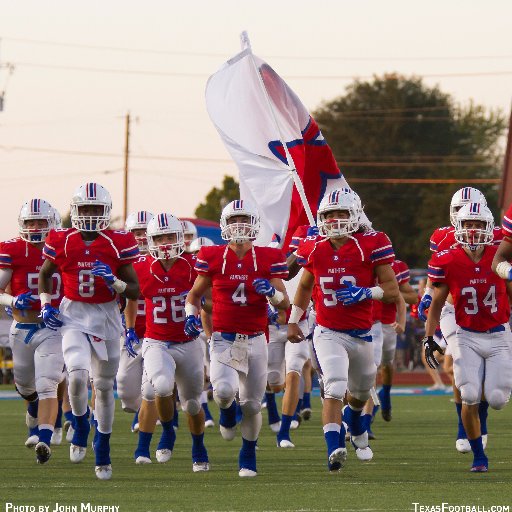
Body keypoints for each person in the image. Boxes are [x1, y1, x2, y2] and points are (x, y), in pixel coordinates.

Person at [288, 189, 399, 471]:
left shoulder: (372, 243)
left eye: (341, 213)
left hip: (362, 333)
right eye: (329, 215)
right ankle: (334, 449)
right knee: (335, 385)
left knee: (359, 394)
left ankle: (358, 425)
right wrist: (293, 319)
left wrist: (366, 292)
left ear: (355, 215)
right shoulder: (315, 246)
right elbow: (303, 285)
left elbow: (391, 291)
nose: (335, 220)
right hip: (328, 331)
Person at [39, 182, 140, 480]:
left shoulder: (117, 242)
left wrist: (115, 282)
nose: (92, 214)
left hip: (107, 315)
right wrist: (47, 304)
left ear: (106, 211)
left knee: (105, 387)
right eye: (86, 208)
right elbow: (45, 274)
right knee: (77, 372)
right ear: (76, 210)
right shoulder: (62, 239)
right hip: (73, 313)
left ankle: (103, 444)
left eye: (97, 208)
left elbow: (134, 289)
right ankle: (81, 424)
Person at [185, 199, 289, 477]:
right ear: (224, 225)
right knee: (223, 392)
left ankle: (247, 454)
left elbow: (283, 302)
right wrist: (190, 315)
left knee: (254, 404)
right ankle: (228, 414)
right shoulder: (212, 255)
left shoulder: (268, 257)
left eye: (244, 219)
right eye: (233, 220)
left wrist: (272, 292)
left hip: (256, 338)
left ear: (255, 224)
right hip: (224, 337)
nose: (239, 225)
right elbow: (194, 295)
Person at [424, 202, 512, 472]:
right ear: (457, 228)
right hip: (466, 335)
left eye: (478, 224)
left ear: (489, 228)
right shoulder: (448, 258)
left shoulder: (500, 257)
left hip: (498, 334)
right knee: (469, 393)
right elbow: (438, 303)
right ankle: (479, 457)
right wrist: (430, 338)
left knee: (497, 399)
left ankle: (481, 416)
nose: (473, 230)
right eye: (467, 224)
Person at [127, 213, 209, 470]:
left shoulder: (195, 265)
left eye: (169, 237)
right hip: (157, 341)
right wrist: (130, 329)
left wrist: (197, 315)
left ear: (180, 238)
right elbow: (131, 299)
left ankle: (198, 445)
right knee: (161, 387)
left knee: (193, 402)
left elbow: (209, 298)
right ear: (151, 241)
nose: (164, 243)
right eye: (159, 238)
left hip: (189, 342)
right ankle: (168, 431)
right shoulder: (141, 266)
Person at [0, 199, 64, 464]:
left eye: (40, 222)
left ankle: (45, 440)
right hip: (22, 327)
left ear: (51, 224)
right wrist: (12, 301)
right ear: (22, 224)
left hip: (53, 327)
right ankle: (34, 410)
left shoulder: (63, 247)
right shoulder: (12, 249)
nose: (35, 227)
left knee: (47, 382)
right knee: (26, 386)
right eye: (30, 222)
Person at [117, 210, 154, 432]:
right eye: (136, 232)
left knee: (154, 386)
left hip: (157, 334)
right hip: (128, 332)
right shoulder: (120, 262)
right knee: (126, 390)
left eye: (144, 232)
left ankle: (159, 423)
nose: (140, 237)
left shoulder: (165, 262)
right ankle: (141, 411)